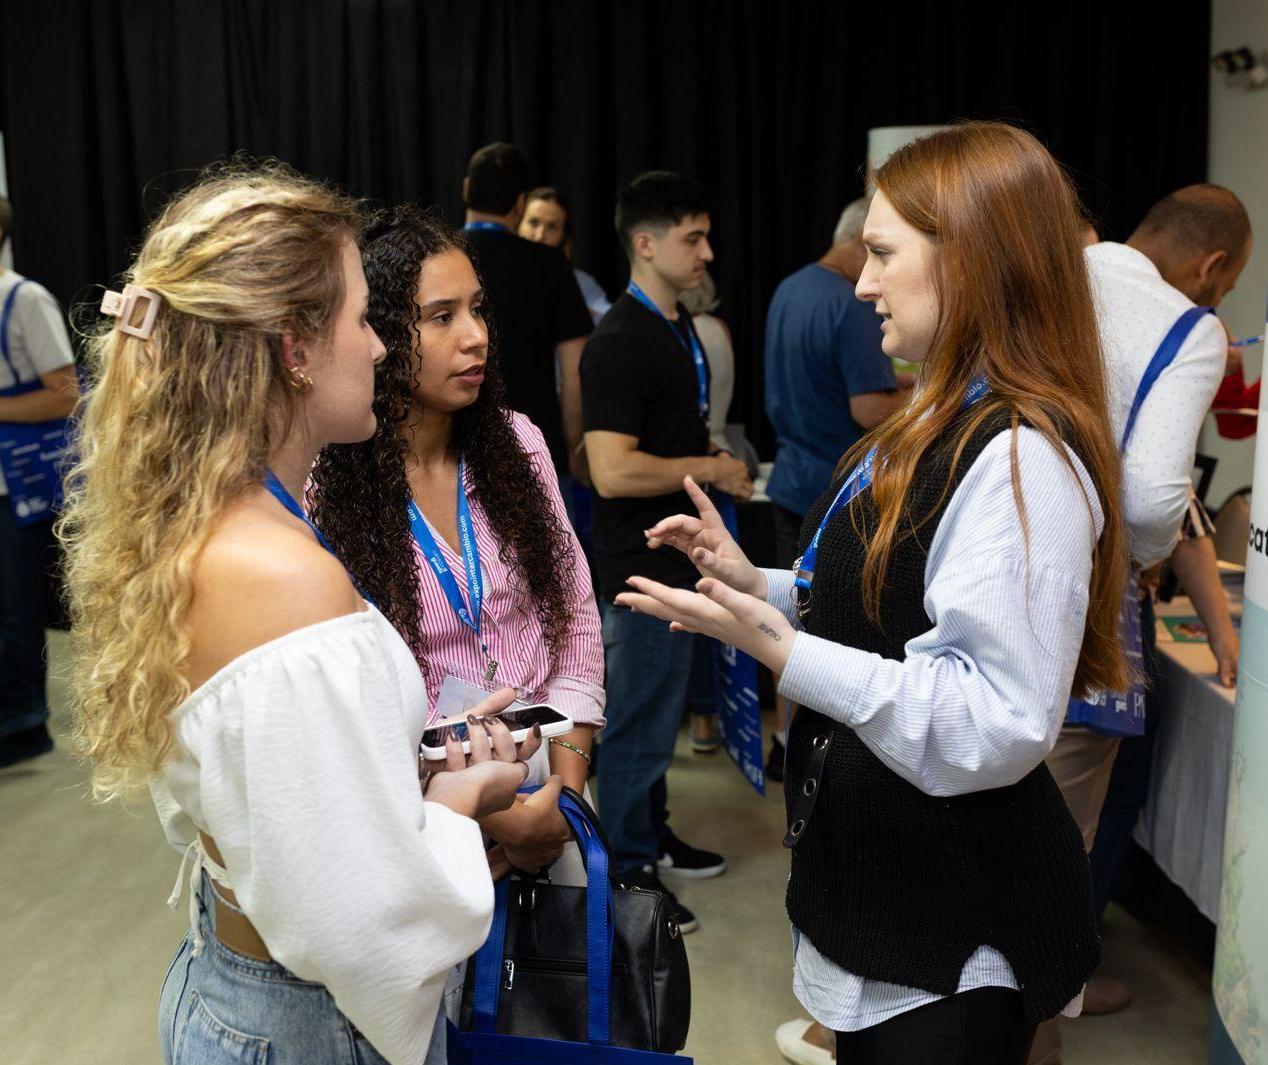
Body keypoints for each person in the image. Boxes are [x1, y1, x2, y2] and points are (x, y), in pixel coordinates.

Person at [620, 122, 1129, 1065]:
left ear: (972, 262)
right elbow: (894, 601)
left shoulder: (1022, 458)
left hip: (954, 927)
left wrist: (781, 647)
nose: (861, 282)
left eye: (885, 254)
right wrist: (758, 583)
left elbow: (991, 718)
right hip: (893, 899)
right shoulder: (948, 412)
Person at [60, 163, 536, 1065]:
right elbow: (364, 929)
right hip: (309, 1025)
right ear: (295, 348)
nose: (383, 347)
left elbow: (270, 797)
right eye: (364, 318)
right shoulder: (287, 577)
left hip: (228, 979)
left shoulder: (209, 517)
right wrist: (459, 802)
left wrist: (398, 761)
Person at [310, 204, 604, 883]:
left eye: (478, 310)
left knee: (558, 981)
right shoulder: (323, 485)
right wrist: (487, 815)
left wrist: (564, 796)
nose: (475, 337)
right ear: (377, 333)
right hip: (412, 809)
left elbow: (577, 621)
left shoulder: (519, 444)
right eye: (441, 317)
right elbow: (340, 702)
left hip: (548, 774)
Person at [1041, 183, 1250, 1031]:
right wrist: (1139, 558)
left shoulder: (1054, 271)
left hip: (975, 574)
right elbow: (1160, 501)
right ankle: (1033, 1022)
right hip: (1079, 611)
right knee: (1055, 849)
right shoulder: (1189, 328)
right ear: (1212, 266)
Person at [582, 170, 753, 927]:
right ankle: (624, 870)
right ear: (645, 244)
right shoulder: (620, 340)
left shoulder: (676, 327)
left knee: (658, 716)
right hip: (639, 570)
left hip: (675, 563)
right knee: (637, 724)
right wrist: (712, 468)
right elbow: (613, 471)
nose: (707, 251)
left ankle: (649, 835)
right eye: (693, 237)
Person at [763, 195, 912, 784]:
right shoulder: (846, 307)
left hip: (789, 477)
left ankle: (782, 740)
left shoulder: (788, 289)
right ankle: (819, 757)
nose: (873, 283)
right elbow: (870, 405)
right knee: (824, 629)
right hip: (838, 494)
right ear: (857, 244)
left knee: (787, 626)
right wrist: (931, 399)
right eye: (876, 253)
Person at [0, 197, 79, 769]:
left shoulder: (21, 298)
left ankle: (24, 725)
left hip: (15, 482)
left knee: (14, 606)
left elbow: (64, 391)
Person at [461, 145, 593, 482]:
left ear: (466, 189)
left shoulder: (438, 256)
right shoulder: (551, 265)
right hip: (537, 450)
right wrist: (575, 445)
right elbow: (575, 369)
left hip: (456, 446)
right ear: (520, 204)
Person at [519, 186, 611, 324]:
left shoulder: (581, 284)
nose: (539, 236)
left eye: (552, 227)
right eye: (533, 222)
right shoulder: (495, 271)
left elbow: (611, 324)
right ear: (517, 222)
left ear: (563, 236)